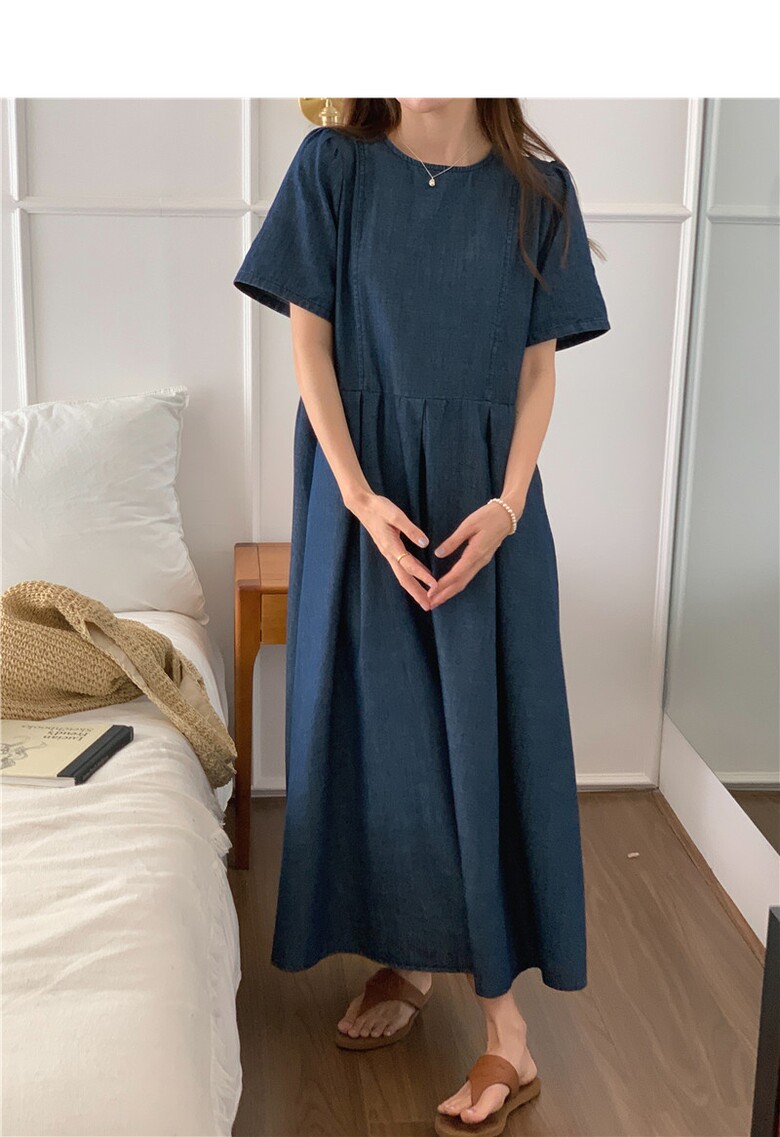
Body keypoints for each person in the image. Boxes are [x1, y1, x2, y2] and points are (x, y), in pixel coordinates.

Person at [233, 97, 611, 1135]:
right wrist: (357, 498)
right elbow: (311, 349)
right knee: (384, 732)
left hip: (488, 508)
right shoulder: (332, 169)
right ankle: (410, 955)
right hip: (364, 498)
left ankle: (508, 1030)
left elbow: (536, 370)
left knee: (481, 747)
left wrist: (510, 504)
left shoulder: (539, 191)